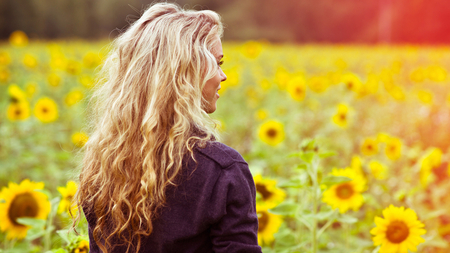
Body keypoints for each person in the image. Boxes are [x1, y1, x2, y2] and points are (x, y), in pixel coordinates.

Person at [72, 2, 262, 253]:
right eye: (218, 63)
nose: (222, 75)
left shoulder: (104, 163)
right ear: (187, 71)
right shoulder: (222, 171)